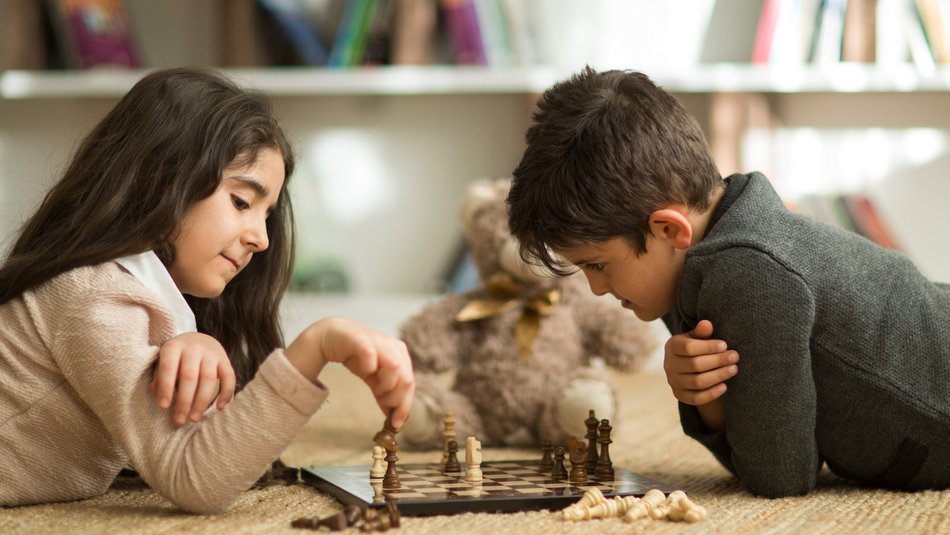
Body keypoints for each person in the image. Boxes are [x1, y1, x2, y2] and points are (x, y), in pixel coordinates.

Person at [505, 66, 950, 498]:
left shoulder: (748, 273)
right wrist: (707, 399)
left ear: (669, 229)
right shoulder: (695, 260)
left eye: (598, 265)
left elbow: (779, 476)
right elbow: (759, 455)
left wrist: (703, 399)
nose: (597, 289)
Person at [0, 68, 414, 513]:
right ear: (154, 178)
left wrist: (189, 340)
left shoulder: (126, 296)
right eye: (241, 201)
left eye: (267, 214)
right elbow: (195, 477)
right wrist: (316, 345)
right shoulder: (93, 298)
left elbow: (222, 449)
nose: (262, 239)